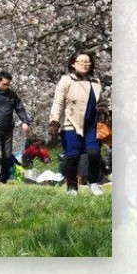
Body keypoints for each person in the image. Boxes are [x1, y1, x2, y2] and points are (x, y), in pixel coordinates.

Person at [48, 51, 107, 196]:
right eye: (81, 62)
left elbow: (101, 102)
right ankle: (72, 187)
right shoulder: (66, 80)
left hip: (91, 126)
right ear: (73, 64)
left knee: (94, 153)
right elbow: (58, 101)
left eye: (87, 62)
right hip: (70, 123)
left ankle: (93, 182)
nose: (85, 64)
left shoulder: (95, 82)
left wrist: (103, 109)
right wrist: (54, 121)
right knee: (72, 156)